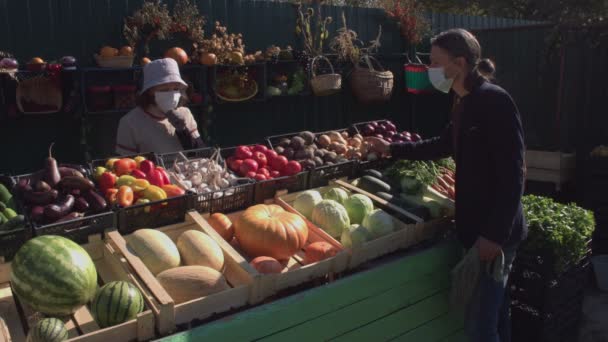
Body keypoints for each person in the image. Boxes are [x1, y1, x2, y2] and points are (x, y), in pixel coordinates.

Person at [366, 28, 527, 342]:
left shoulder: (494, 101)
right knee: (496, 316)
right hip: (476, 230)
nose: (430, 69)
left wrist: (493, 235)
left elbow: (514, 174)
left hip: (492, 236)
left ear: (460, 63)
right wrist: (391, 148)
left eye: (435, 62)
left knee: (480, 327)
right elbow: (442, 145)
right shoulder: (463, 102)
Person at [115, 58, 205, 155]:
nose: (171, 94)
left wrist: (183, 130)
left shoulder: (185, 113)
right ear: (149, 91)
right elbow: (127, 163)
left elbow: (199, 152)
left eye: (175, 89)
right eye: (164, 90)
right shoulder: (130, 122)